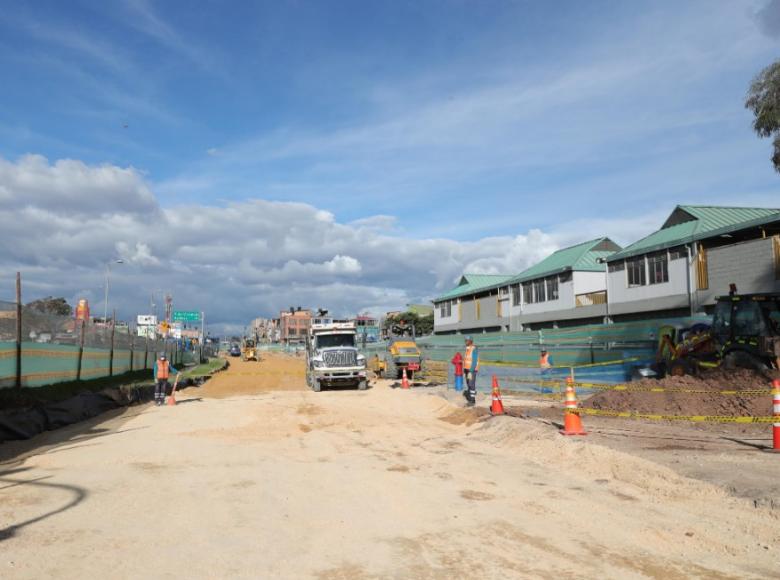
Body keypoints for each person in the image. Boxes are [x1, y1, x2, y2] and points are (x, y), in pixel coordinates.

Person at [463, 336, 479, 406]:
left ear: (471, 341)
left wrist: (470, 371)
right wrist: (465, 369)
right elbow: (466, 360)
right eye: (465, 340)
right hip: (467, 369)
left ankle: (472, 400)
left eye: (467, 340)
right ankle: (470, 397)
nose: (465, 342)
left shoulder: (474, 349)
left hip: (471, 370)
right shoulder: (467, 349)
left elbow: (474, 361)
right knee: (468, 384)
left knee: (471, 384)